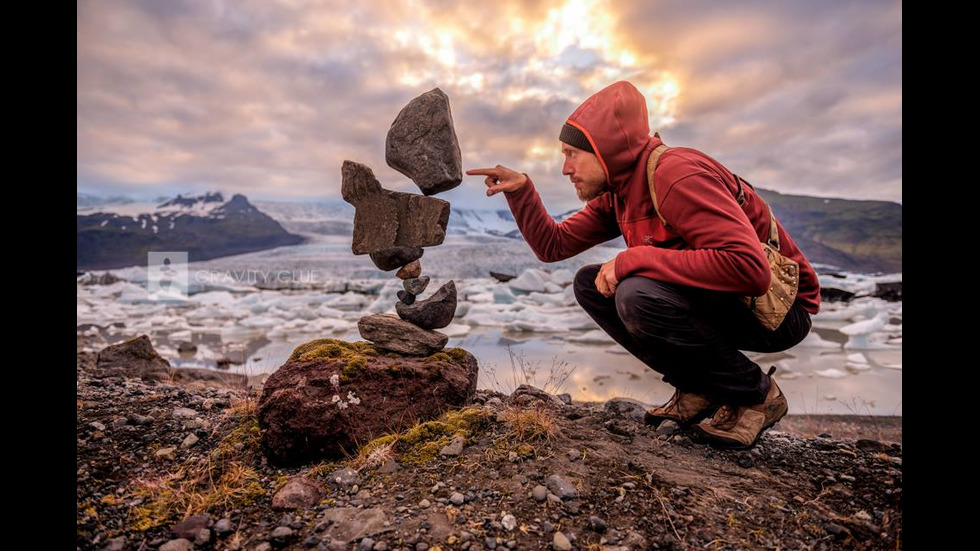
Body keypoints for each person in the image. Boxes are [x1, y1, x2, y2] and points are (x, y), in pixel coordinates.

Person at [466, 81, 820, 449]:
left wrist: (633, 258)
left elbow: (749, 268)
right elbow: (553, 245)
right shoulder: (620, 192)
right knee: (592, 285)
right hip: (728, 301)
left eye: (572, 154)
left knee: (636, 292)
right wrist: (522, 190)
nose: (565, 169)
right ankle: (700, 388)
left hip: (780, 311)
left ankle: (757, 394)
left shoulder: (675, 173)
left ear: (605, 149)